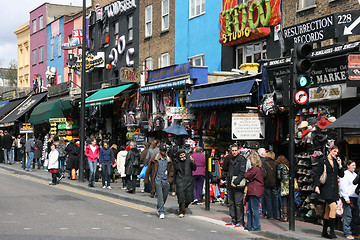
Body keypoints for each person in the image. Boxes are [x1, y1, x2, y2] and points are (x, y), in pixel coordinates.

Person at [314, 144, 344, 239]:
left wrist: (340, 165)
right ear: (330, 150)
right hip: (326, 188)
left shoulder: (335, 162)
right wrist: (317, 186)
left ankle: (324, 231)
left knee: (327, 210)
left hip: (334, 188)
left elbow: (341, 174)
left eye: (337, 152)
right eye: (334, 151)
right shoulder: (322, 160)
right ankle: (331, 231)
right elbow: (317, 174)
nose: (335, 153)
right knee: (333, 207)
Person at [145, 144, 174, 219]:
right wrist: (146, 179)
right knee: (160, 197)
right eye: (162, 150)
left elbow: (171, 171)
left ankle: (159, 207)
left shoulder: (168, 160)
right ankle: (161, 211)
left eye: (164, 150)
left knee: (164, 197)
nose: (163, 152)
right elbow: (148, 170)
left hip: (166, 181)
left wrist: (169, 180)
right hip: (157, 180)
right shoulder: (154, 159)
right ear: (159, 150)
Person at [226, 144, 248, 227]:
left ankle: (240, 221)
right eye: (233, 150)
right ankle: (233, 219)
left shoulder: (241, 159)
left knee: (238, 203)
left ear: (238, 150)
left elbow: (242, 172)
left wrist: (235, 182)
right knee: (231, 202)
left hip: (238, 185)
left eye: (235, 150)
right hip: (231, 184)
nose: (234, 152)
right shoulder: (231, 159)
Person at [244, 151, 265, 231]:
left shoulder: (255, 169)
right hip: (255, 190)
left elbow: (246, 175)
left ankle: (255, 226)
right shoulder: (260, 169)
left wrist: (248, 169)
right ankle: (250, 225)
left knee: (254, 209)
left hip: (254, 190)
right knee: (250, 209)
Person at [173, 149, 197, 218]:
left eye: (183, 154)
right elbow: (174, 172)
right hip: (180, 181)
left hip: (188, 180)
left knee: (189, 198)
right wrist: (173, 183)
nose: (182, 156)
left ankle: (185, 206)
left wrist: (193, 163)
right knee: (181, 197)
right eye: (181, 155)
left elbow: (194, 169)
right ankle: (181, 211)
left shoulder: (189, 160)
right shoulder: (176, 162)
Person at [339, 160, 359, 239]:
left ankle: (354, 231)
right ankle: (347, 232)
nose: (354, 167)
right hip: (348, 196)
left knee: (355, 215)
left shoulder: (355, 174)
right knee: (348, 215)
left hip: (355, 196)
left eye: (355, 165)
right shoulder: (344, 174)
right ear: (348, 165)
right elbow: (343, 187)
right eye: (352, 165)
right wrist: (346, 198)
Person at [263, 151, 279, 220]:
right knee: (275, 198)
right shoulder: (276, 163)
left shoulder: (264, 163)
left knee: (268, 199)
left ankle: (270, 215)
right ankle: (277, 214)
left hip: (266, 182)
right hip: (274, 183)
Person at [276, 155, 290, 222]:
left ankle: (284, 216)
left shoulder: (280, 166)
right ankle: (289, 216)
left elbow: (279, 176)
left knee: (284, 199)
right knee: (288, 199)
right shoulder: (287, 165)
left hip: (284, 183)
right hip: (289, 183)